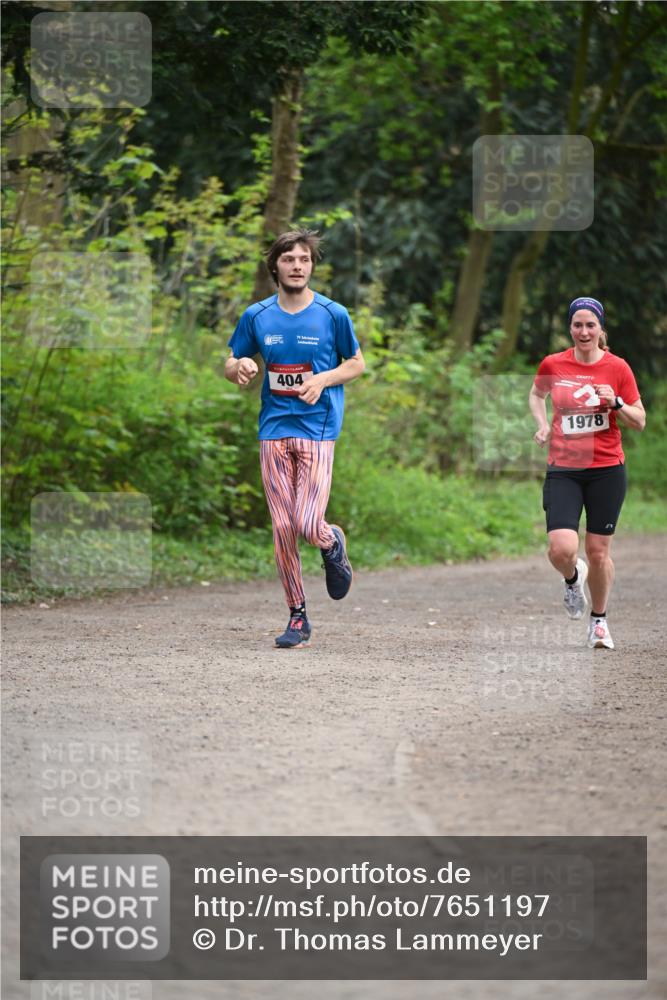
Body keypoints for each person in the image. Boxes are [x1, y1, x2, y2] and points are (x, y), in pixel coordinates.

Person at [225, 228, 365, 648]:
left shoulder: (332, 313)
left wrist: (323, 378)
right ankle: (297, 615)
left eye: (304, 259)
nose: (297, 266)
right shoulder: (257, 315)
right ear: (276, 266)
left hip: (318, 428)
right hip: (273, 428)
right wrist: (241, 368)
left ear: (312, 266)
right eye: (289, 259)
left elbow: (356, 364)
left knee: (306, 523)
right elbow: (233, 360)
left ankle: (330, 539)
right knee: (283, 526)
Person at [529, 296, 646, 649]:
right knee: (560, 549)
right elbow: (537, 395)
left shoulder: (618, 368)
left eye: (590, 325)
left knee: (598, 551)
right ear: (570, 328)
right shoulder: (553, 363)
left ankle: (599, 622)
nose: (583, 331)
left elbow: (640, 421)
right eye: (577, 325)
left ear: (600, 329)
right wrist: (542, 425)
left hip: (607, 469)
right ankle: (571, 578)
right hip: (564, 467)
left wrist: (617, 402)